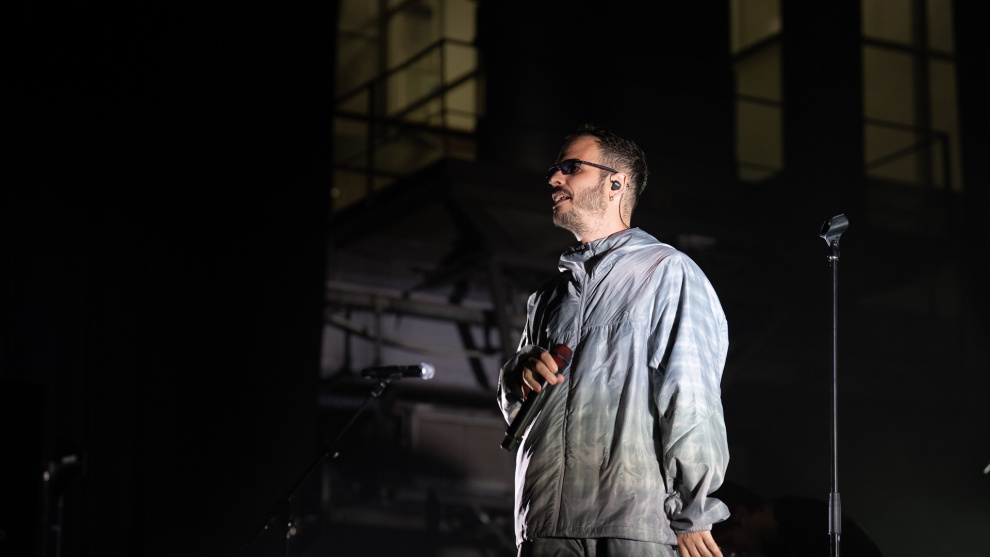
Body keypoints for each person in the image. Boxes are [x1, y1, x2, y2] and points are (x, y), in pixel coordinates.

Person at [497, 124, 731, 557]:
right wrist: (519, 374)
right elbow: (516, 413)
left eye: (571, 167)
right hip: (543, 525)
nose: (554, 178)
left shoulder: (666, 272)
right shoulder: (547, 298)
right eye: (553, 170)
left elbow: (691, 394)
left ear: (616, 184)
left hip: (632, 524)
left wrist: (693, 509)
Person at [710, 482, 885, 557]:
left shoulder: (807, 520)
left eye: (729, 541)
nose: (731, 551)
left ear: (742, 515)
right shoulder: (776, 539)